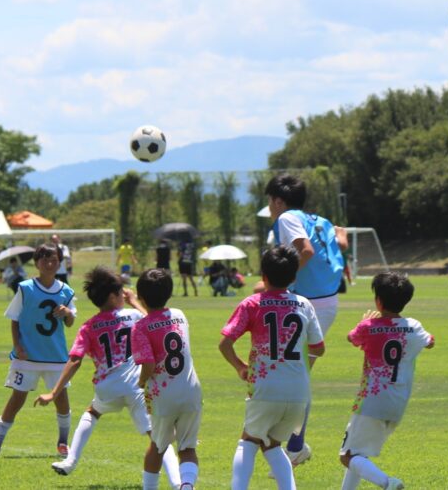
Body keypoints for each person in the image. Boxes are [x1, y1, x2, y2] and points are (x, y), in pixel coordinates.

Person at [34, 267, 181, 486]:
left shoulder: (89, 326)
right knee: (158, 438)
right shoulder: (133, 316)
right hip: (136, 386)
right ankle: (178, 484)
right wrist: (134, 302)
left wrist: (54, 392)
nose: (124, 295)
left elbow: (75, 360)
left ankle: (70, 461)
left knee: (93, 412)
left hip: (107, 387)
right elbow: (152, 321)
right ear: (113, 296)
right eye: (121, 292)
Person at [219, 245, 326, 490]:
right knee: (273, 444)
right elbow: (319, 348)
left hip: (266, 387)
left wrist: (240, 366)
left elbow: (225, 343)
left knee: (248, 440)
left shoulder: (253, 304)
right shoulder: (304, 304)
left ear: (263, 276)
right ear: (294, 276)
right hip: (298, 392)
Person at [263, 173, 347, 466]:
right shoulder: (319, 220)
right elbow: (336, 244)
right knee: (297, 372)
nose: (270, 208)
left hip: (309, 302)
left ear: (278, 200)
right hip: (325, 300)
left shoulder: (287, 218)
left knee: (296, 375)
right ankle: (293, 441)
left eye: (270, 201)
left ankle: (295, 445)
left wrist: (279, 282)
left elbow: (307, 251)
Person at [0, 244, 76, 459]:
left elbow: (70, 323)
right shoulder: (25, 288)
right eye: (45, 259)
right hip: (27, 355)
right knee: (17, 399)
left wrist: (68, 313)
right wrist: (18, 346)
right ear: (36, 262)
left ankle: (63, 443)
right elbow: (14, 319)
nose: (49, 264)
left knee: (61, 399)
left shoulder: (66, 291)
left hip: (55, 356)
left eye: (54, 260)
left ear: (59, 263)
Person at [338, 271, 434, 490]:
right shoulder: (413, 326)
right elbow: (430, 341)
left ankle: (388, 483)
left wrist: (365, 322)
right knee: (359, 453)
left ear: (378, 301)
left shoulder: (369, 327)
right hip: (397, 402)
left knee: (347, 456)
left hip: (370, 402)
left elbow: (352, 338)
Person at [132, 269, 202, 490]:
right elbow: (160, 321)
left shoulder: (140, 327)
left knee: (158, 446)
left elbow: (149, 364)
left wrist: (141, 382)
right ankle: (187, 485)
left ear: (141, 296)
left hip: (163, 394)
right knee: (187, 448)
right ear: (169, 293)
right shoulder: (179, 314)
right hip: (190, 390)